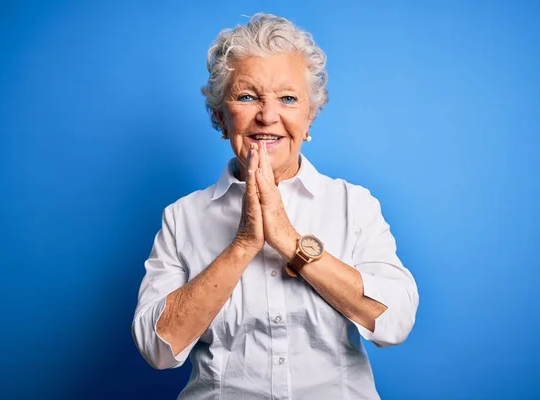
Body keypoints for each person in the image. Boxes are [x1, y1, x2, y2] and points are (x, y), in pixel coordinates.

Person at [132, 13, 419, 399]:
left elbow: (395, 322)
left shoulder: (355, 204)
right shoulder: (182, 217)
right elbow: (157, 349)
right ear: (220, 116)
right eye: (247, 96)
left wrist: (288, 239)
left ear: (309, 114)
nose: (268, 116)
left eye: (287, 98)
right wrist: (244, 245)